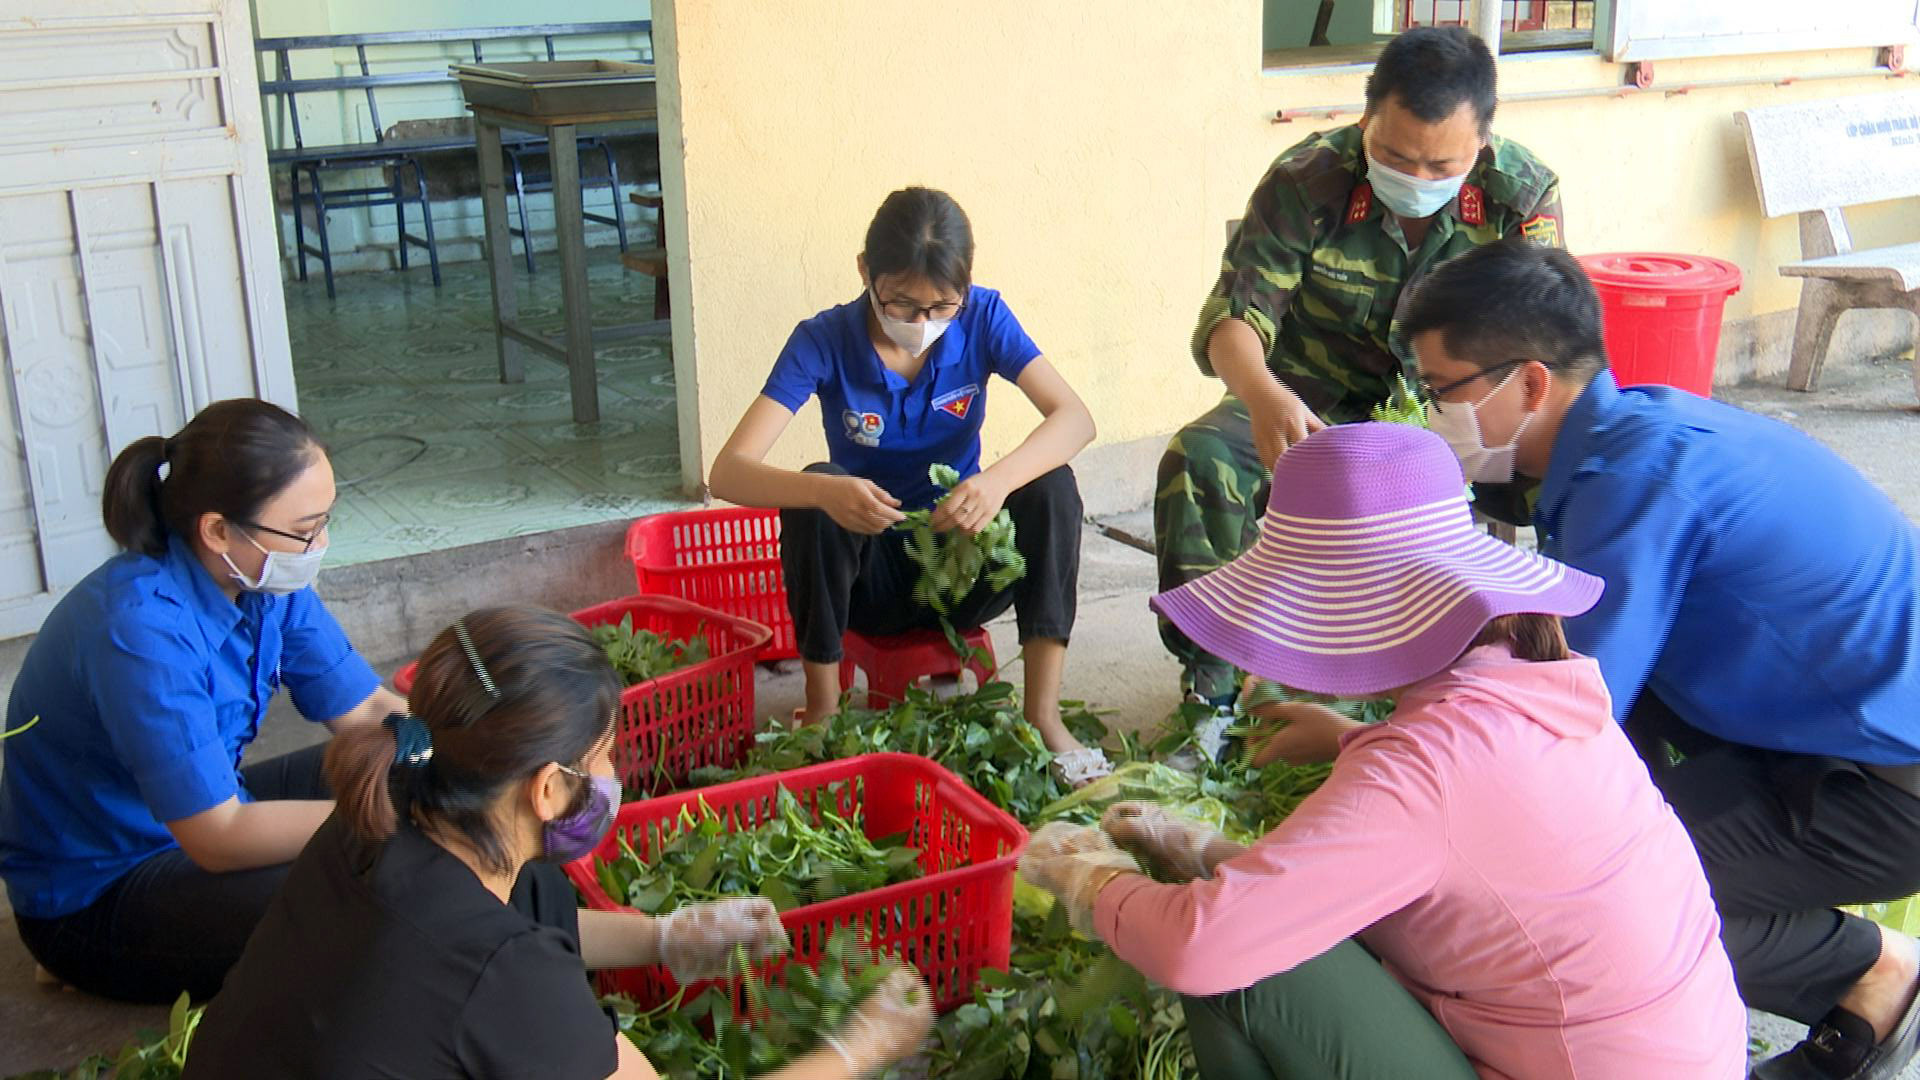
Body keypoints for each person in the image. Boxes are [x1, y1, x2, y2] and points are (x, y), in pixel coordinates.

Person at [1020, 422, 1747, 1079]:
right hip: (1679, 1054)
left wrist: (1095, 884)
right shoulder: (1542, 689)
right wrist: (1207, 849)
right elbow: (1420, 860)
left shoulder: (1421, 770)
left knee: (1250, 969)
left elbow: (1204, 947)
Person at [1400, 239, 1920, 1079]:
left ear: (1529, 382)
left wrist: (1383, 758)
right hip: (1829, 728)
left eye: (1441, 393)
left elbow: (1557, 712)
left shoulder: (1632, 486)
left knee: (1593, 899)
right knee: (1583, 815)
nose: (1435, 419)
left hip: (1887, 784)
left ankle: (1870, 968)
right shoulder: (1632, 431)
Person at [185, 605, 933, 1079]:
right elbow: (495, 962)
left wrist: (662, 938)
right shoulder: (503, 974)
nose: (612, 775)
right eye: (603, 755)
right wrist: (856, 1050)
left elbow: (508, 928)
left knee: (541, 884)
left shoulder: (378, 814)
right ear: (547, 787)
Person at [1154, 26, 1566, 753]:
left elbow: (1543, 338)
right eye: (1394, 155)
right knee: (1201, 460)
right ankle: (1213, 697)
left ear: (1481, 141)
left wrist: (1484, 427)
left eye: (1441, 162)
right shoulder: (1308, 178)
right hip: (1313, 411)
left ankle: (1535, 694)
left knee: (1573, 481)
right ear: (1367, 116)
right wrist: (1260, 393)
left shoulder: (1519, 198)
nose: (1416, 175)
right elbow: (1235, 318)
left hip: (1457, 418)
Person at [0, 399, 409, 1003]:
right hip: (101, 895)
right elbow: (220, 835)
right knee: (381, 888)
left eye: (324, 520)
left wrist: (455, 759)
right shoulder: (138, 629)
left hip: (198, 817)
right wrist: (398, 821)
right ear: (218, 529)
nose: (320, 543)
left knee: (398, 776)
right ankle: (90, 960)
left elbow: (366, 713)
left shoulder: (263, 578)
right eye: (304, 530)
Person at [708, 185, 1108, 785]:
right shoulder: (823, 340)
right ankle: (821, 713)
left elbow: (1075, 418)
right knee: (814, 491)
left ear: (965, 290)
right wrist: (826, 493)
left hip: (964, 565)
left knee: (1051, 485)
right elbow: (728, 470)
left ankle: (1043, 717)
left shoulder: (984, 318)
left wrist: (995, 483)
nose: (922, 323)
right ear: (866, 273)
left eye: (941, 307)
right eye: (901, 305)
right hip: (869, 582)